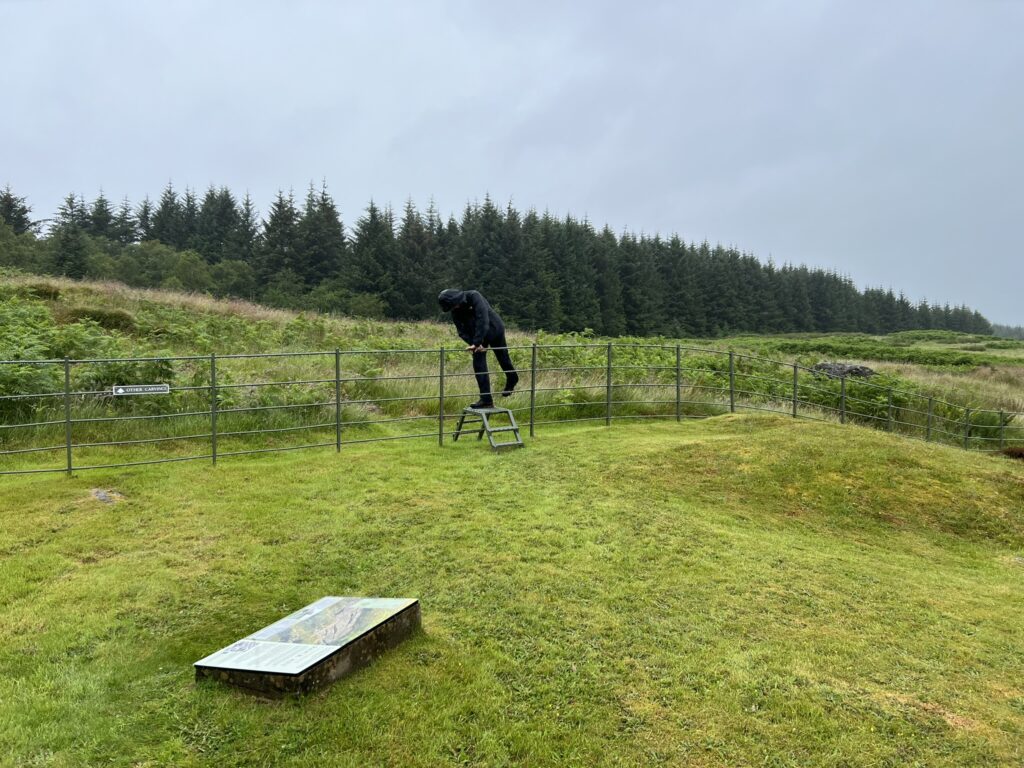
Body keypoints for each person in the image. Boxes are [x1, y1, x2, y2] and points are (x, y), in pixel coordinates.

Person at [438, 289, 519, 409]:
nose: (455, 308)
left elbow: (483, 319)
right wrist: (473, 344)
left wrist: (477, 341)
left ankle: (512, 378)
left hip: (494, 329)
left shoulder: (474, 296)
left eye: (455, 305)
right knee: (478, 365)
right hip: (476, 337)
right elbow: (461, 331)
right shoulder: (454, 311)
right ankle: (486, 400)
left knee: (502, 357)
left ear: (457, 299)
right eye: (452, 307)